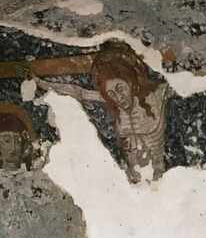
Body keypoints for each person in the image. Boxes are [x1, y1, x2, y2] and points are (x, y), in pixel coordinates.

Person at [34, 40, 170, 182]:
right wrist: (40, 83)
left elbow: (181, 85)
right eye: (111, 94)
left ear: (130, 81)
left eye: (120, 88)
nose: (118, 98)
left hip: (159, 180)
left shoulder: (157, 95)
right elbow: (77, 92)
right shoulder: (113, 105)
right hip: (133, 182)